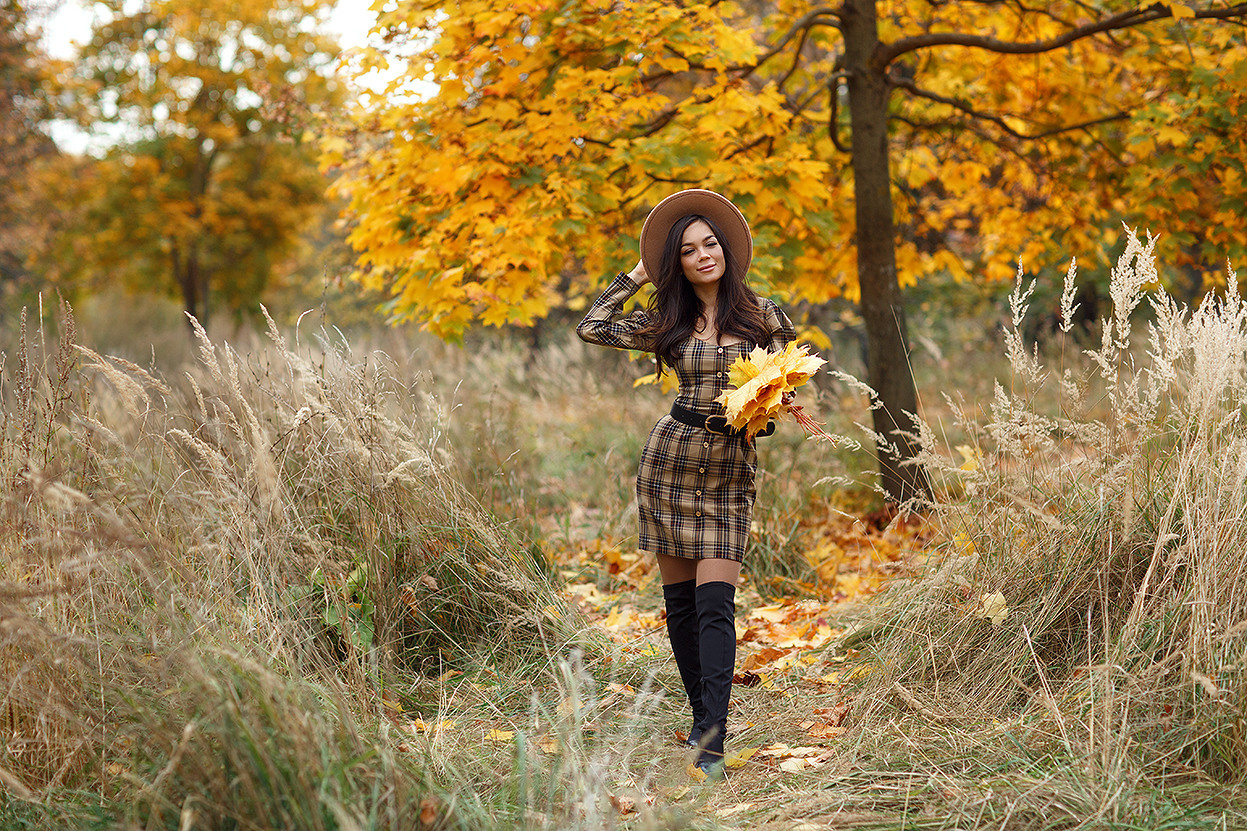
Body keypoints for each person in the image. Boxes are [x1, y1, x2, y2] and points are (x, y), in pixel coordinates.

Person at [576, 189, 795, 777]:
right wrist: (638, 274)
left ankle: (714, 739)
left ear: (726, 250)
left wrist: (768, 406)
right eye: (689, 250)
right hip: (670, 462)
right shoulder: (666, 322)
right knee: (680, 607)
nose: (703, 255)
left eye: (710, 244)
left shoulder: (765, 317)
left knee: (716, 605)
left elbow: (787, 388)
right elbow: (592, 327)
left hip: (730, 469)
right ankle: (702, 718)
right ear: (677, 262)